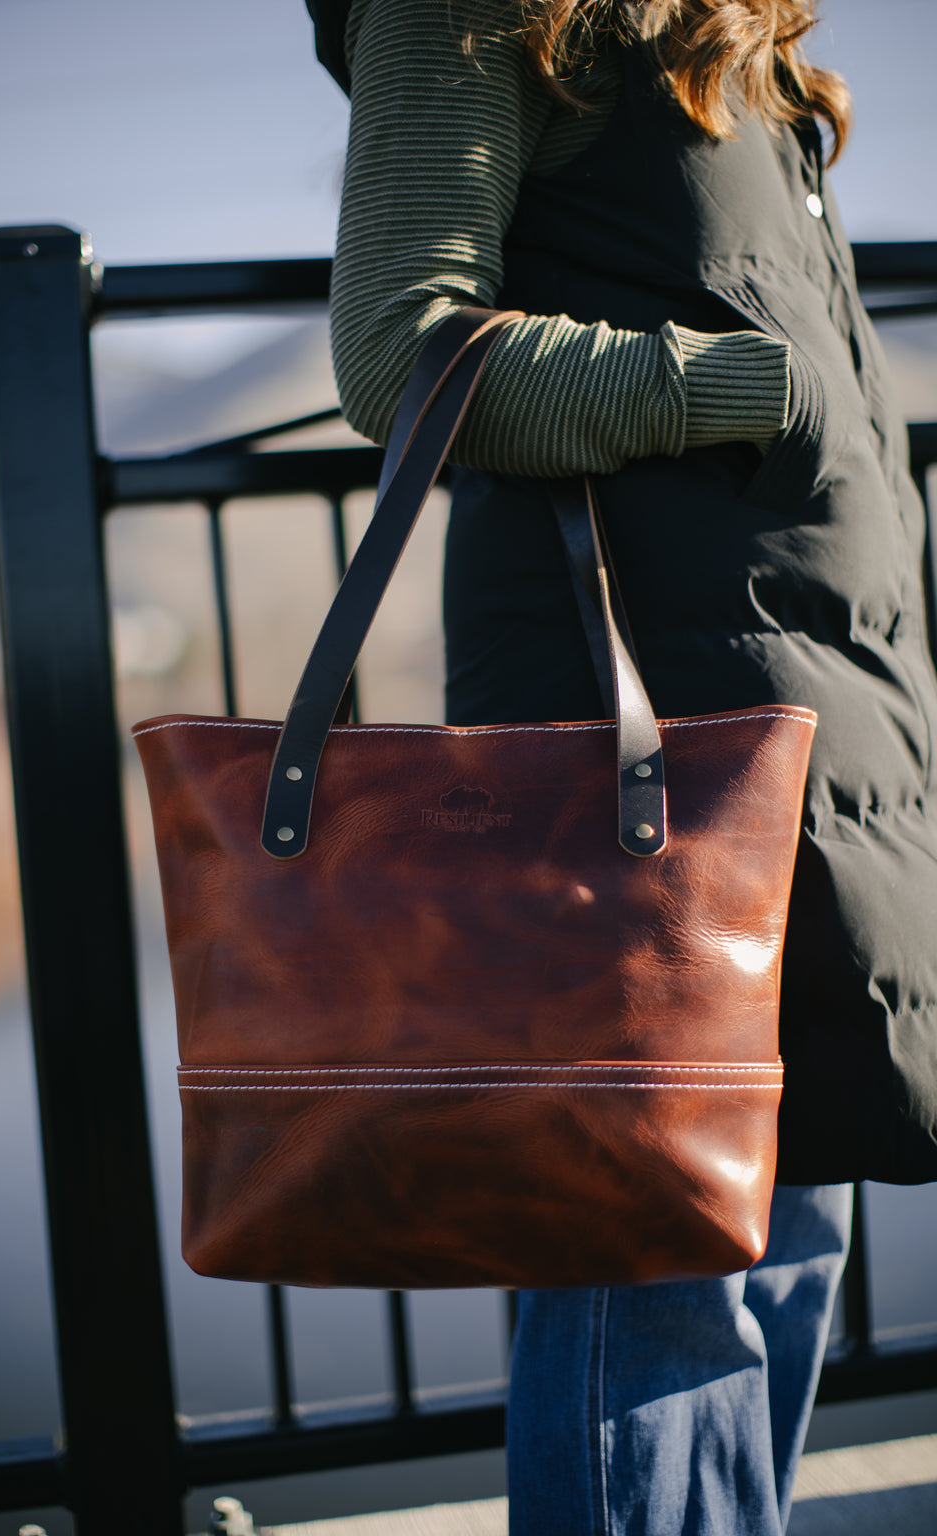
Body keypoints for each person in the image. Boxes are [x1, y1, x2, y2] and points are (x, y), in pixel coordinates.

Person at [306, 1, 937, 1530]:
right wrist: (732, 389)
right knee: (663, 1270)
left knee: (782, 1243)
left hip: (812, 720)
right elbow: (405, 354)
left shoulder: (741, 43)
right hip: (644, 730)